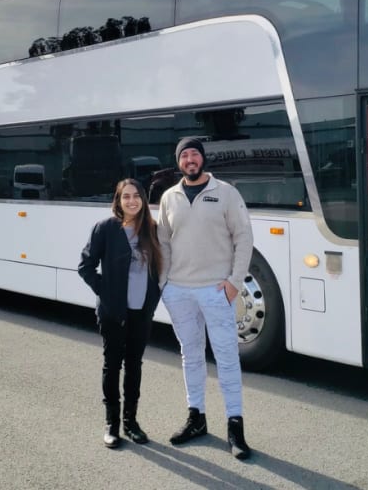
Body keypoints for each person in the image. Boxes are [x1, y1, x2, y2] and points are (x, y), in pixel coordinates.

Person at [157, 137, 254, 460]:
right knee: (191, 354)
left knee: (227, 358)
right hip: (179, 290)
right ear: (179, 162)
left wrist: (234, 283)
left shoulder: (226, 192)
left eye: (195, 153)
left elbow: (243, 237)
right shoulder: (169, 197)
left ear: (203, 159)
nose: (190, 159)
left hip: (215, 290)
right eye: (184, 155)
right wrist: (164, 285)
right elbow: (163, 244)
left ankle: (235, 426)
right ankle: (196, 417)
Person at [79, 178, 162, 448]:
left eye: (136, 196)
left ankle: (131, 422)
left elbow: (160, 269)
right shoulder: (105, 229)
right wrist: (106, 291)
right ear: (118, 200)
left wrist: (153, 299)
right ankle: (112, 424)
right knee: (112, 364)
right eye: (125, 196)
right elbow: (86, 266)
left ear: (143, 200)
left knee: (134, 365)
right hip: (113, 311)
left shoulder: (152, 230)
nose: (131, 201)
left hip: (141, 310)